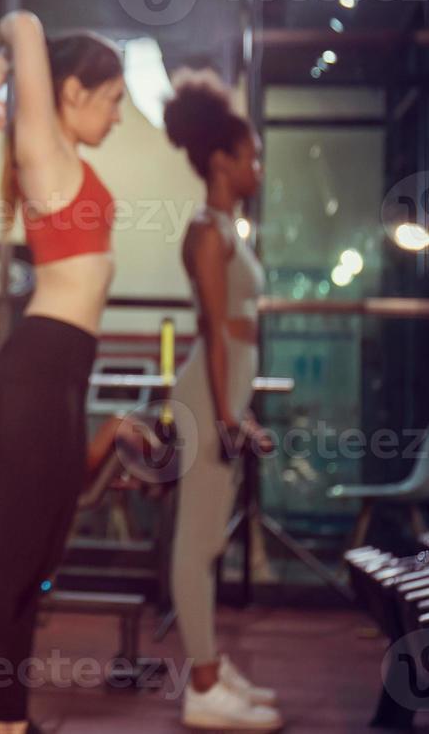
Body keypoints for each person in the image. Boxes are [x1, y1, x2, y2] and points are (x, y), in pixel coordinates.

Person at [0, 11, 125, 734]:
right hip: (37, 369)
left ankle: (10, 722)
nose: (119, 115)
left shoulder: (70, 161)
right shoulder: (44, 149)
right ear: (72, 92)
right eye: (113, 99)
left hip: (63, 372)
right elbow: (26, 22)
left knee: (38, 565)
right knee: (7, 566)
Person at [162, 75, 282, 731]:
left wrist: (241, 410)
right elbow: (214, 331)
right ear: (220, 162)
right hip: (207, 396)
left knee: (207, 541)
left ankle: (212, 668)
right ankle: (203, 685)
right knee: (197, 541)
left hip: (222, 394)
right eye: (251, 156)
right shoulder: (207, 231)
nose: (256, 167)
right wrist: (228, 414)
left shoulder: (228, 227)